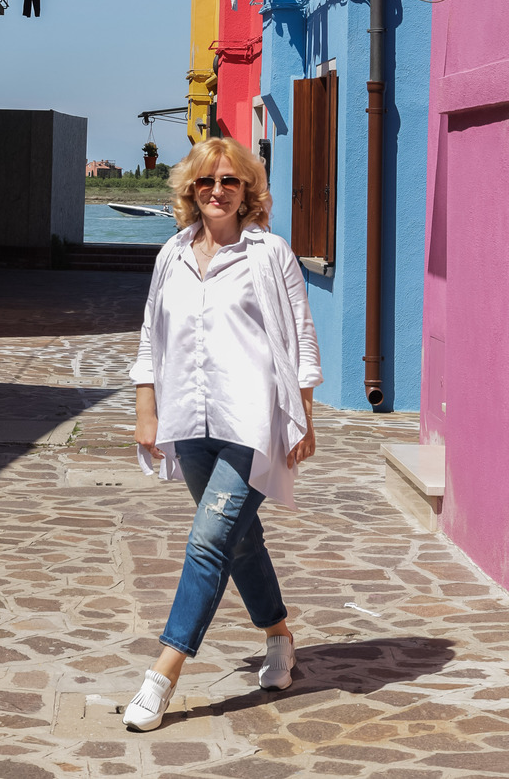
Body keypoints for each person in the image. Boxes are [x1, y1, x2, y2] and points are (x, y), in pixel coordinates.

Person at [123, 136, 322, 733]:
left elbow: (301, 336)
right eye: (207, 181)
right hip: (190, 421)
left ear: (246, 191)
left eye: (229, 181)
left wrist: (303, 415)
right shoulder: (172, 254)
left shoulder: (270, 254)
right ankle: (280, 638)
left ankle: (162, 674)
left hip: (251, 422)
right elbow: (149, 337)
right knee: (238, 541)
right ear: (191, 190)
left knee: (208, 541)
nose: (217, 190)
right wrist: (145, 410)